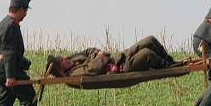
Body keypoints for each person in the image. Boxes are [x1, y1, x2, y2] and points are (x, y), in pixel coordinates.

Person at [47, 35, 177, 77]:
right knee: (146, 54)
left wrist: (98, 55)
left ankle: (171, 62)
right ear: (61, 69)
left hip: (117, 58)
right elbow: (93, 68)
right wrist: (100, 57)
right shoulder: (73, 73)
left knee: (150, 40)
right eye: (61, 61)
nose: (63, 58)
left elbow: (88, 51)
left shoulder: (72, 59)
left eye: (61, 57)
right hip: (119, 69)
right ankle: (168, 68)